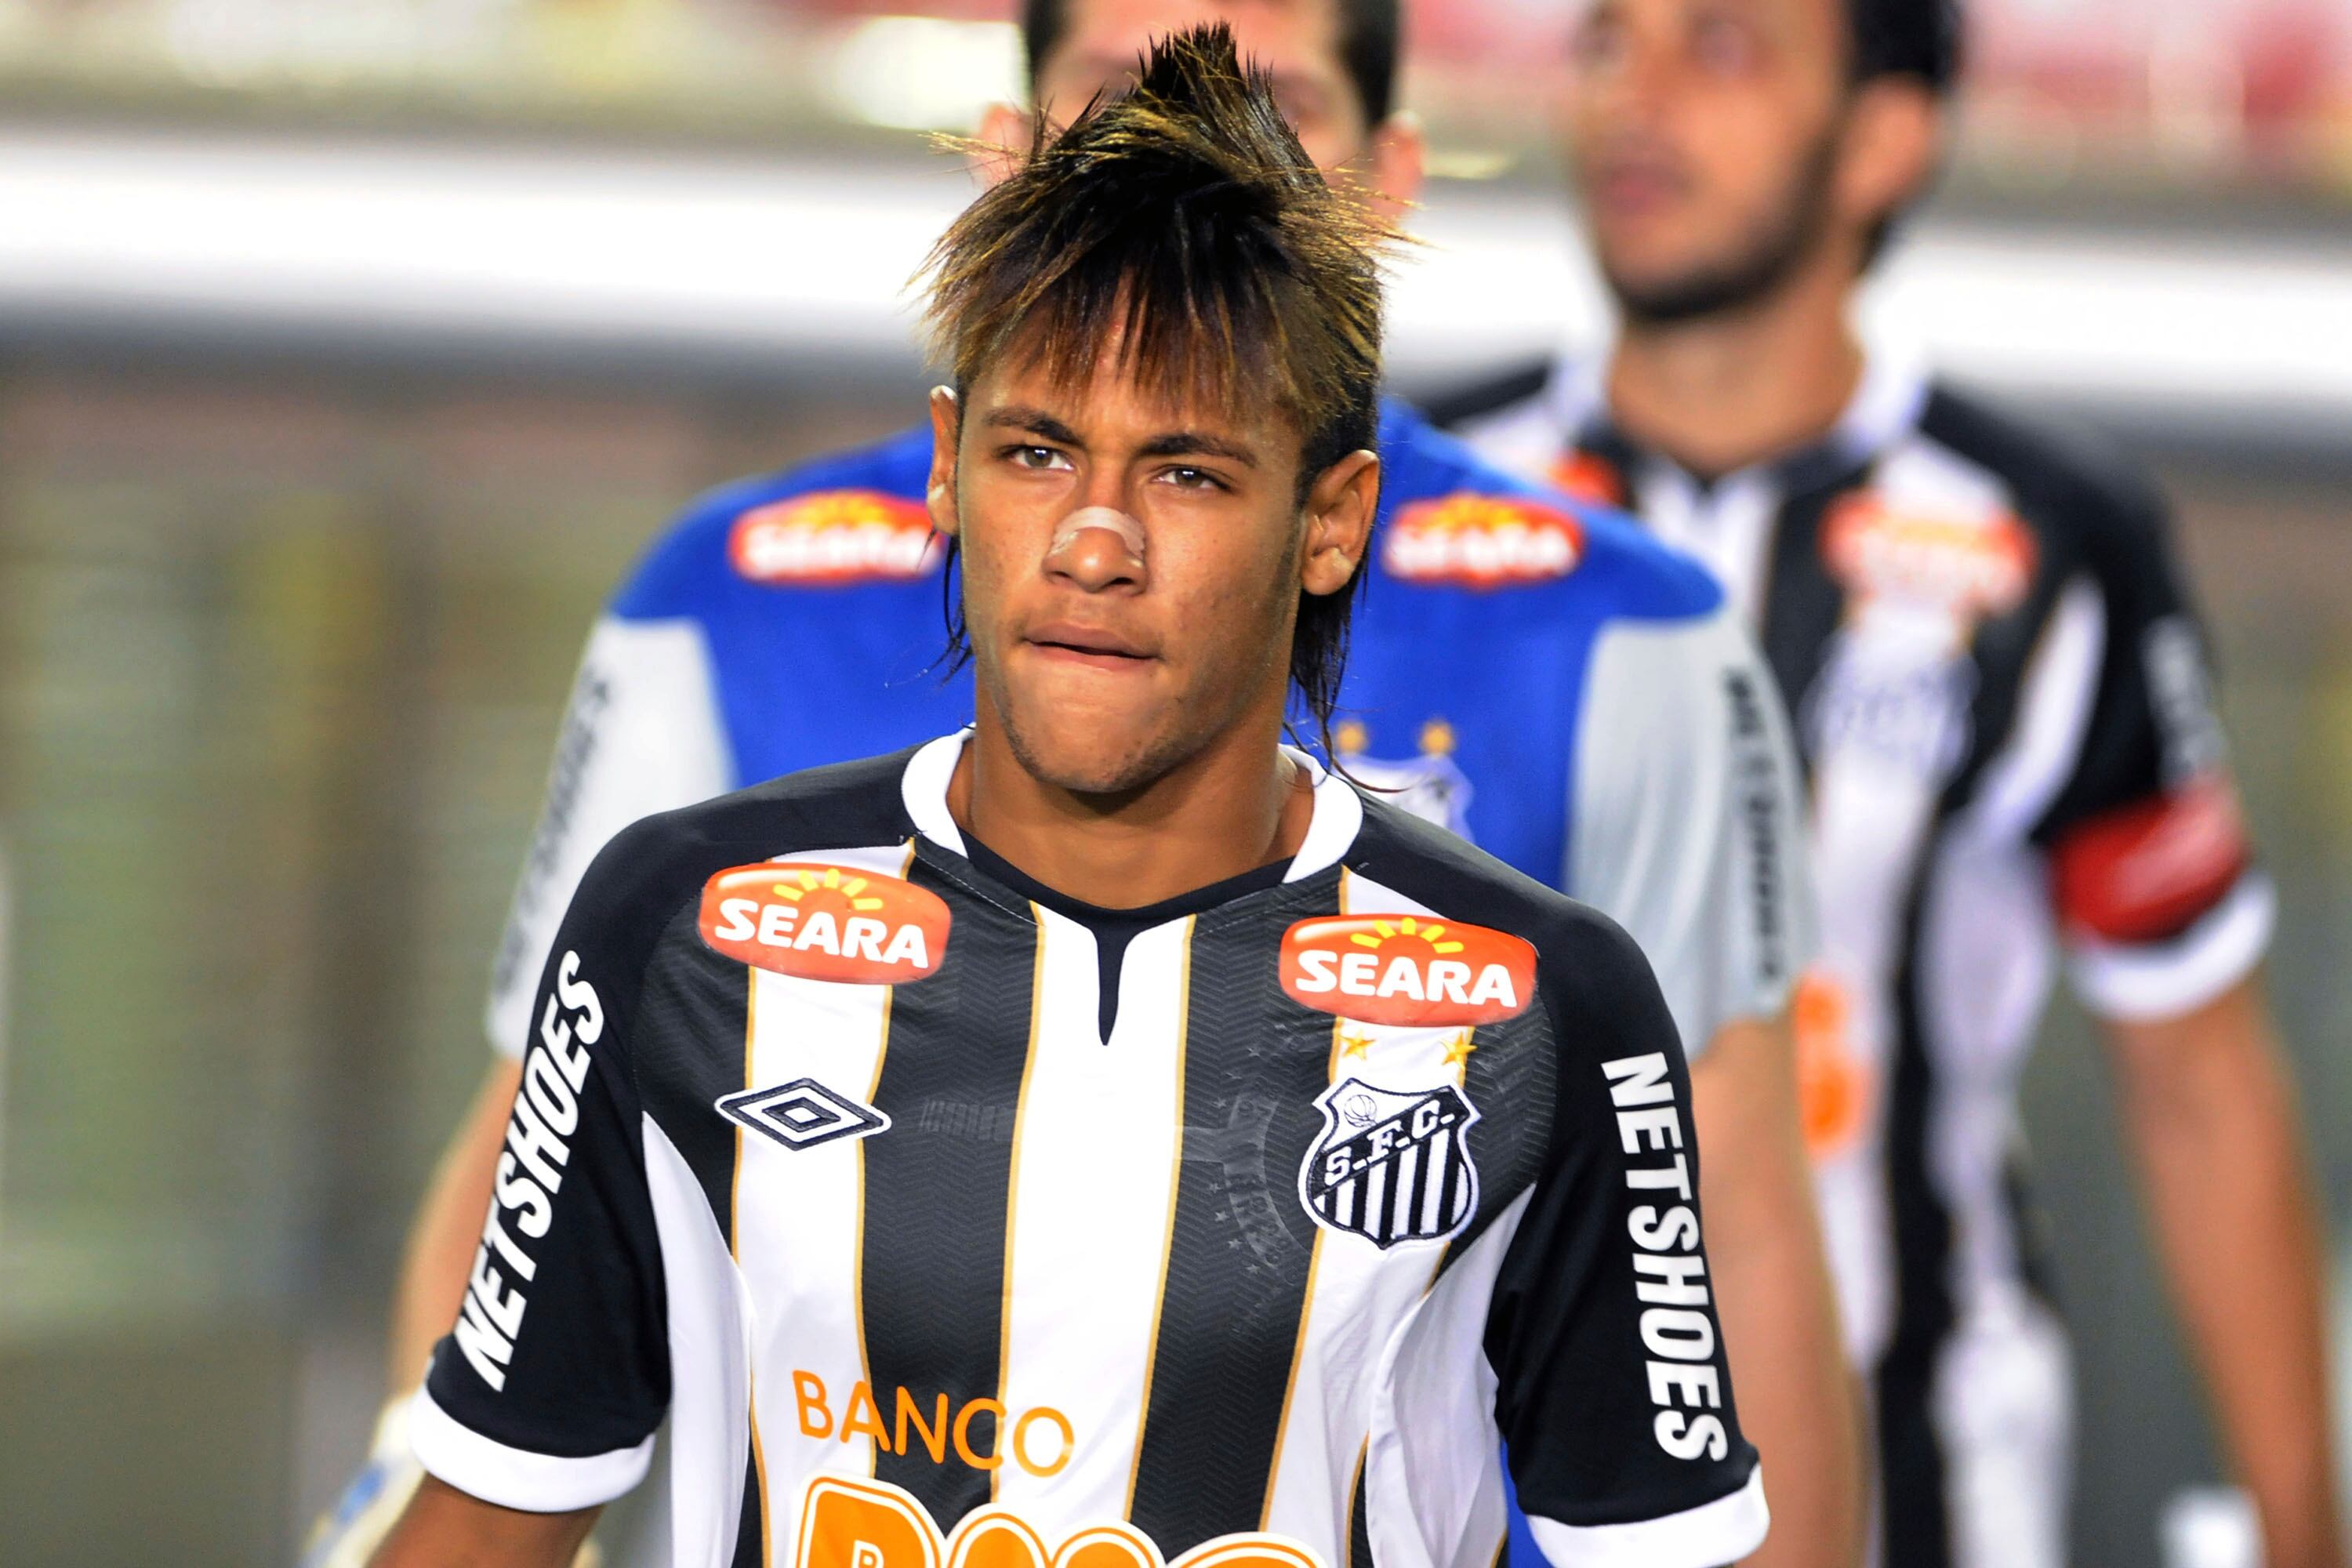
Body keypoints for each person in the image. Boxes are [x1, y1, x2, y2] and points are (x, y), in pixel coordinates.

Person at [310, 3, 1859, 1566]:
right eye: (1037, 453)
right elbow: (496, 1439)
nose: (1096, 536)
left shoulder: (1564, 948)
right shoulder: (679, 873)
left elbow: (1737, 1219)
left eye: (1186, 470)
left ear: (1334, 519)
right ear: (949, 460)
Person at [1435, 1, 2347, 1565]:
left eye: (1718, 51)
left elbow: (2196, 1070)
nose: (1633, 101)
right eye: (1606, 41)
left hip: (1924, 1467)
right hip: (1462, 1455)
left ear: (1882, 139)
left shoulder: (2052, 540)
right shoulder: (1406, 494)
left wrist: (2305, 1529)